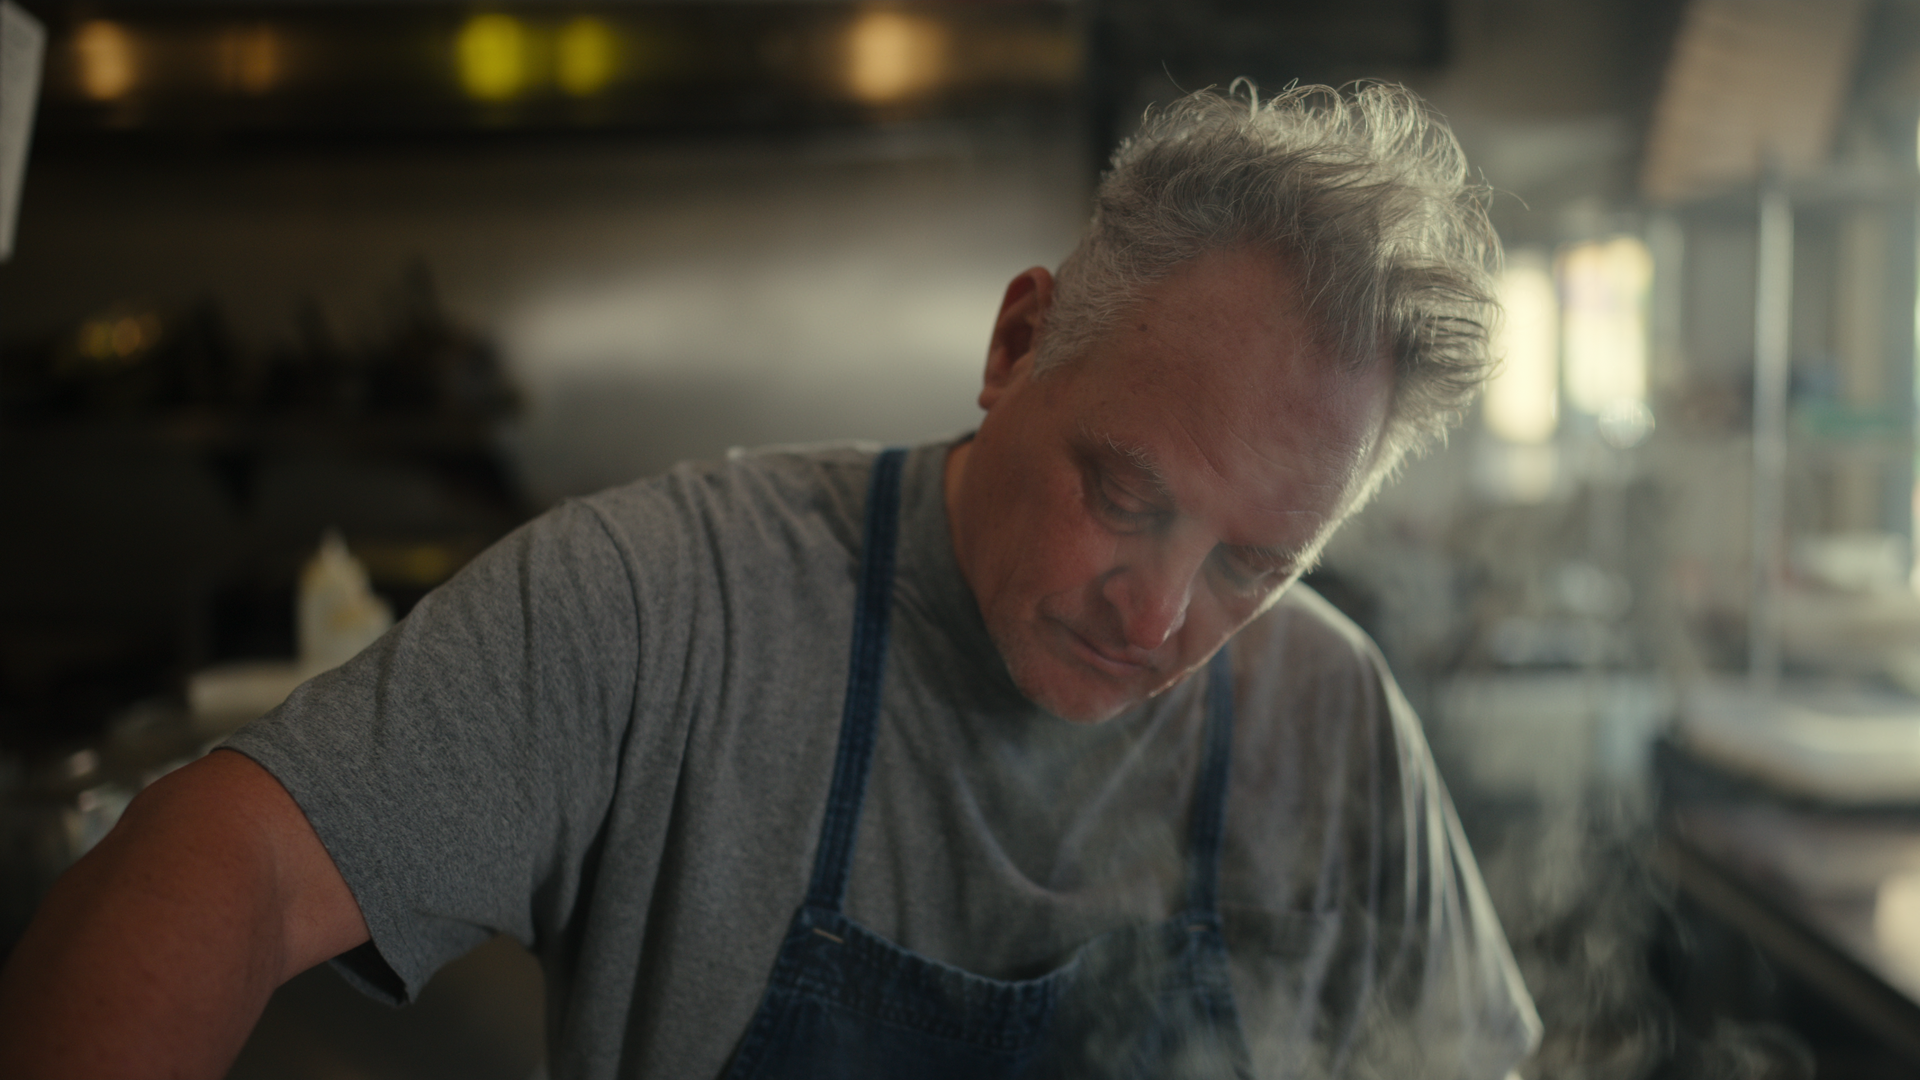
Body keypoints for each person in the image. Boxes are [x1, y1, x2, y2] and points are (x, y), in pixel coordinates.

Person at [0, 82, 1539, 1079]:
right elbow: (228, 858)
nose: (1158, 616)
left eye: (1255, 564)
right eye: (1123, 493)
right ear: (1017, 345)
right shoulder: (676, 604)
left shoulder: (1328, 720)